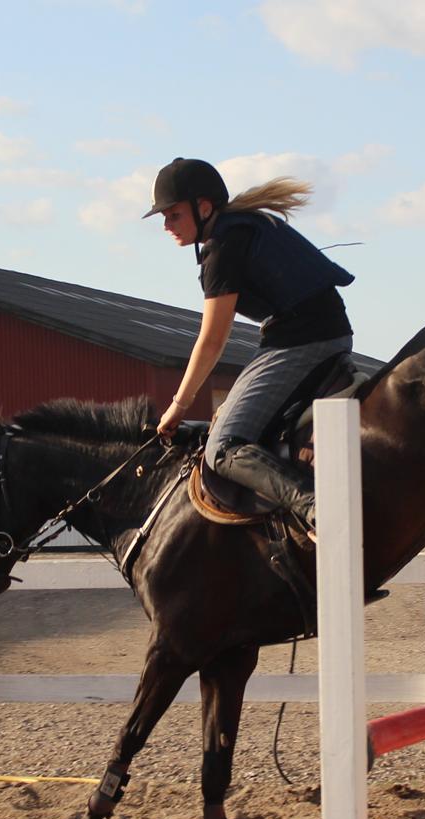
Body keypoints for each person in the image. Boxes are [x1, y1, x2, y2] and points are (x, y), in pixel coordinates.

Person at [146, 157, 356, 538]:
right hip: (309, 332)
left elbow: (211, 341)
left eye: (173, 215)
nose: (166, 225)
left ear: (203, 207)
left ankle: (316, 508)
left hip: (303, 340)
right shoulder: (239, 229)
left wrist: (178, 405)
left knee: (222, 448)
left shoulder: (224, 247)